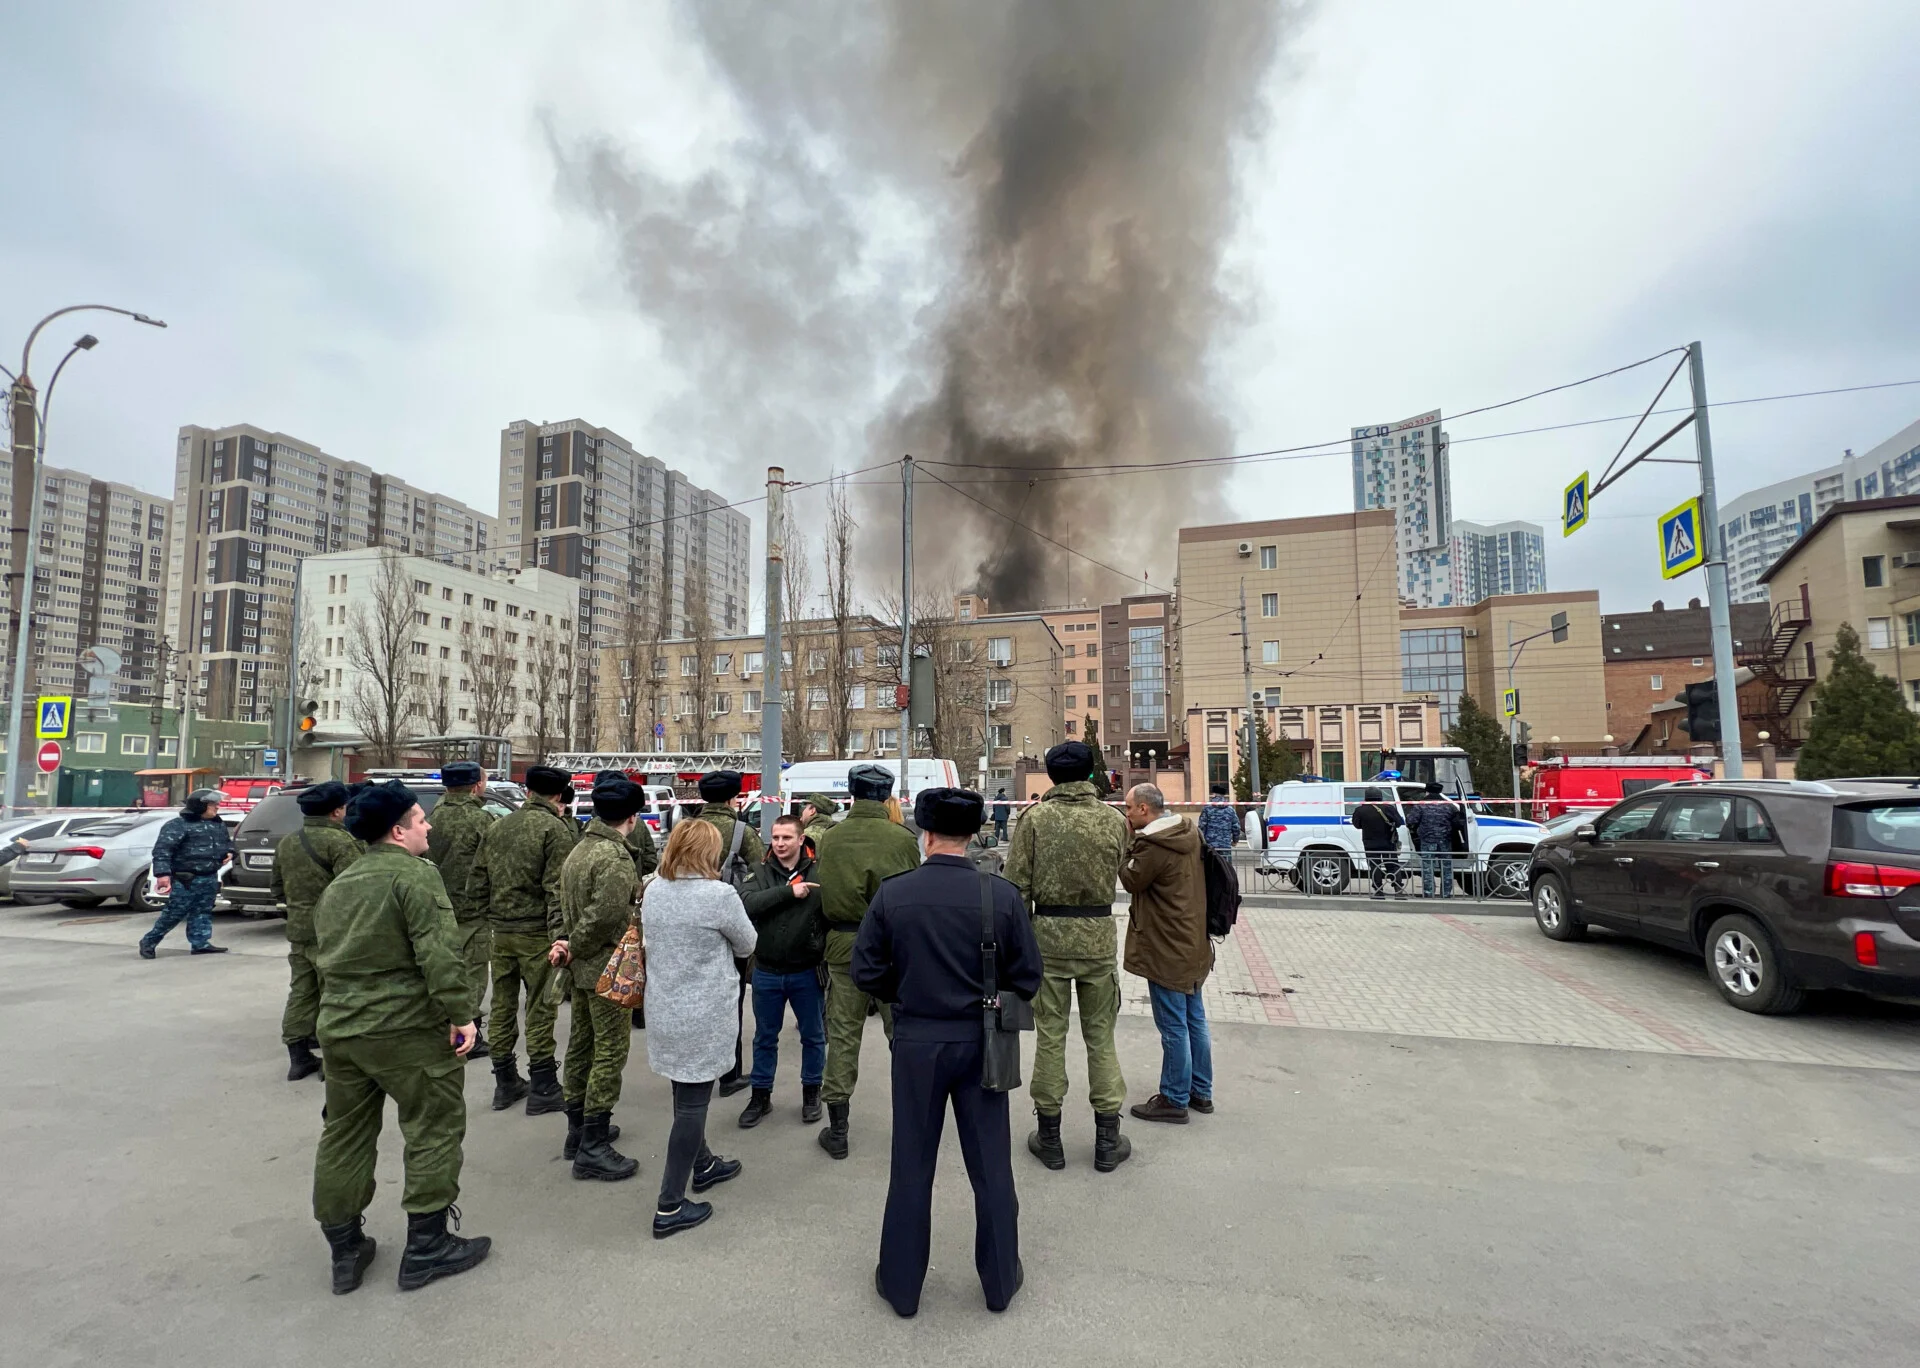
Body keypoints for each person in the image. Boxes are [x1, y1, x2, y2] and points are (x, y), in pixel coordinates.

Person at [854, 787, 1043, 1318]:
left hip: (917, 1041)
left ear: (927, 834)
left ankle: (902, 1286)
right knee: (991, 1166)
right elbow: (1029, 976)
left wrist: (907, 993)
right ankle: (1001, 1281)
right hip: (983, 1041)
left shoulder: (894, 894)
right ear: (974, 834)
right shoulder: (999, 896)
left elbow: (865, 971)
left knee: (911, 1165)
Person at [309, 779, 490, 1295]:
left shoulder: (341, 884)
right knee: (432, 1128)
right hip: (405, 1030)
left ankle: (345, 1250)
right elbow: (439, 953)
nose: (428, 825)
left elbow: (322, 959)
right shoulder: (415, 877)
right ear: (397, 831)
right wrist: (462, 1014)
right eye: (419, 818)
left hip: (341, 1032)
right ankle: (428, 1248)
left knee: (343, 1135)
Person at [1003, 741, 1132, 1173]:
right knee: (1101, 1038)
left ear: (1051, 776)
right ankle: (1107, 1140)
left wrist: (1017, 947)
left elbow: (1016, 888)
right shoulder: (1113, 819)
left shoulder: (1035, 819)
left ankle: (1051, 1137)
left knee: (1050, 1037)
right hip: (1098, 939)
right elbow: (1125, 870)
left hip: (1048, 942)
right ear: (1092, 772)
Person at [641, 819, 758, 1238]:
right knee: (693, 1104)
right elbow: (748, 944)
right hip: (703, 1015)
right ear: (707, 852)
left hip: (664, 1010)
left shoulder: (654, 889)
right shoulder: (719, 896)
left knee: (683, 1090)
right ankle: (670, 1205)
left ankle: (704, 1164)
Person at [812, 762, 919, 1159]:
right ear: (887, 796)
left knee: (842, 1034)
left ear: (852, 794)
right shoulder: (902, 839)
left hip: (843, 944)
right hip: (892, 948)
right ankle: (912, 1123)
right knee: (903, 1034)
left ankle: (837, 1128)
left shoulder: (831, 837)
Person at [551, 777, 647, 1180]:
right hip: (608, 968)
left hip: (583, 969)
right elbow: (605, 915)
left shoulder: (580, 848)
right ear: (632, 816)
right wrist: (575, 944)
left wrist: (567, 945)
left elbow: (563, 903)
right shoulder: (614, 858)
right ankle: (593, 1143)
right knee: (609, 1052)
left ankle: (579, 1131)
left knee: (581, 1046)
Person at [470, 765, 578, 1114]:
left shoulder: (497, 826)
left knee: (502, 1005)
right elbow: (556, 891)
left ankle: (505, 1082)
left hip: (500, 932)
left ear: (528, 790)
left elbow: (478, 881)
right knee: (540, 1006)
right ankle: (543, 1084)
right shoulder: (555, 830)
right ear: (559, 795)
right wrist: (562, 938)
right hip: (537, 934)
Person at [1120, 784, 1214, 1123]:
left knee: (1173, 1025)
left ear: (1144, 809)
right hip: (1192, 942)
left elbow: (1131, 880)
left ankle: (1174, 1098)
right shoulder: (1187, 831)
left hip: (1166, 947)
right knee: (1195, 1019)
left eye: (1128, 808)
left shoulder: (1155, 846)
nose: (1126, 813)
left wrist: (1125, 844)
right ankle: (1200, 1091)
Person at [737, 814, 826, 1128]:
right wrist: (789, 892)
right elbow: (746, 903)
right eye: (775, 838)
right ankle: (761, 1095)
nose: (780, 844)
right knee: (764, 1037)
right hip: (768, 970)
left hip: (806, 970)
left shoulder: (819, 870)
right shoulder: (761, 871)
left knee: (814, 1037)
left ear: (801, 840)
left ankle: (812, 1092)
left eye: (787, 838)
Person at [271, 780, 362, 1082]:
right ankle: (333, 1060)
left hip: (299, 930)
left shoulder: (288, 842)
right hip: (333, 932)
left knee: (302, 992)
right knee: (335, 995)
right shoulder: (342, 843)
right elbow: (354, 890)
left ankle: (298, 1058)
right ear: (337, 811)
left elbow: (277, 889)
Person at [424, 761, 496, 1061]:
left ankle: (441, 1025)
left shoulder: (431, 818)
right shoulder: (482, 820)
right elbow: (495, 864)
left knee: (441, 967)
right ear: (476, 786)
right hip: (472, 910)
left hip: (436, 907)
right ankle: (470, 1033)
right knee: (473, 973)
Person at [138, 788, 234, 959]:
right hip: (187, 878)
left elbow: (227, 843)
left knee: (203, 911)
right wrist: (163, 875)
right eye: (212, 805)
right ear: (199, 806)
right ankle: (149, 941)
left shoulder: (217, 824)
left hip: (209, 875)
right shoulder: (178, 825)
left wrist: (230, 852)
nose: (217, 807)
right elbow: (162, 851)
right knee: (174, 913)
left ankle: (200, 943)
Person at [1408, 780, 1468, 899]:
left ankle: (1429, 893)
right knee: (1446, 868)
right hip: (1445, 841)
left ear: (1427, 791)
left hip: (1427, 841)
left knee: (1427, 868)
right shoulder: (1449, 806)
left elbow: (1410, 821)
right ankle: (1446, 893)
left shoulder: (1421, 805)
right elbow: (1458, 821)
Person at [1350, 787, 1406, 899]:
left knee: (1375, 867)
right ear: (1380, 796)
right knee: (1392, 865)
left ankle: (1379, 891)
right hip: (1388, 842)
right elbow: (1400, 822)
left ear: (1366, 797)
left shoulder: (1360, 810)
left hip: (1370, 843)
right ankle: (1398, 889)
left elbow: (1357, 825)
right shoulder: (1389, 808)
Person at [1197, 783, 1240, 853]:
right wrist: (1235, 840)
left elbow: (1202, 826)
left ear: (1214, 794)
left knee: (1211, 863)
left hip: (1210, 845)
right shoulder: (1230, 809)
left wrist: (1201, 842)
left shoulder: (1207, 808)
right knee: (1225, 863)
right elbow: (1236, 827)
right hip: (1225, 845)